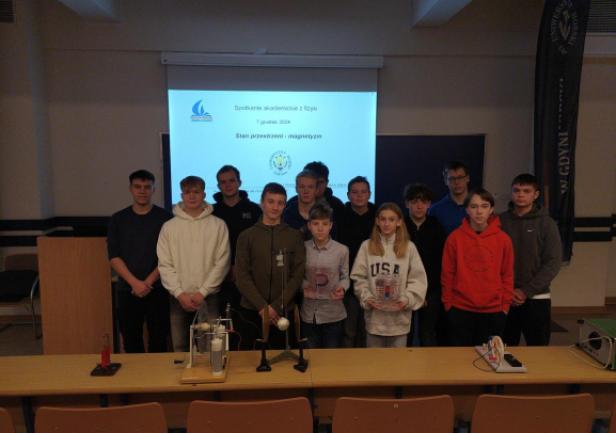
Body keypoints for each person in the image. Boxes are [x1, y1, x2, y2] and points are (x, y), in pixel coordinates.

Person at [157, 175, 230, 352]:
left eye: (196, 192)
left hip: (208, 296)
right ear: (181, 195)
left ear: (204, 194)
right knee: (180, 347)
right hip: (178, 297)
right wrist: (179, 293)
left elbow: (222, 262)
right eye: (187, 192)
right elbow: (165, 264)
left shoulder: (218, 225)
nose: (192, 196)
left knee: (211, 347)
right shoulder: (169, 227)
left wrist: (202, 292)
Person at [107, 169, 172, 353]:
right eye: (138, 187)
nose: (142, 191)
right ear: (130, 189)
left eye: (147, 187)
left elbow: (169, 256)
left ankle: (157, 373)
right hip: (128, 289)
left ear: (154, 189)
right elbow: (114, 256)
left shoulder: (166, 218)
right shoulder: (118, 219)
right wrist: (135, 283)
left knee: (159, 340)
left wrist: (148, 282)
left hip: (158, 289)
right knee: (131, 340)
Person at [235, 182, 306, 350]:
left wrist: (276, 306)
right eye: (270, 201)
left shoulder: (294, 236)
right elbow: (242, 275)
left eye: (280, 203)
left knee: (282, 360)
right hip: (252, 310)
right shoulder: (247, 236)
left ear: (285, 205)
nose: (275, 207)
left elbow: (297, 274)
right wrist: (262, 307)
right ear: (262, 203)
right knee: (251, 360)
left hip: (283, 311)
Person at [441, 188, 514, 346]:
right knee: (459, 358)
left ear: (491, 209)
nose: (479, 211)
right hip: (460, 308)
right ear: (467, 210)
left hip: (494, 310)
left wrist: (505, 306)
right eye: (474, 206)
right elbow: (447, 274)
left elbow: (507, 275)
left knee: (489, 357)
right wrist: (448, 304)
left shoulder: (503, 240)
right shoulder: (454, 238)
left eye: (484, 206)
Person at [351, 203, 427, 348]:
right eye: (383, 219)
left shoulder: (409, 247)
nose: (386, 223)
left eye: (391, 219)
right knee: (374, 360)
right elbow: (359, 278)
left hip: (399, 321)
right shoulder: (367, 246)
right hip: (375, 320)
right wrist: (367, 298)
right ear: (377, 221)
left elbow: (418, 279)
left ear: (399, 222)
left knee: (397, 361)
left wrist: (407, 299)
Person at [500, 174, 562, 346]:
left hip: (537, 297)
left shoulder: (547, 224)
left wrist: (526, 291)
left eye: (526, 191)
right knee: (503, 349)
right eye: (516, 190)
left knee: (538, 349)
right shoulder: (500, 221)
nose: (520, 194)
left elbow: (553, 263)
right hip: (505, 296)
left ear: (536, 195)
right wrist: (507, 290)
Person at [212, 165, 261, 315]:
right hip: (219, 276)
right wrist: (225, 268)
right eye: (223, 182)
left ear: (240, 182)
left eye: (232, 180)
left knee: (248, 319)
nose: (228, 185)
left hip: (249, 275)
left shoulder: (254, 210)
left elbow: (258, 243)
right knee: (223, 320)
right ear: (218, 186)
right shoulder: (211, 212)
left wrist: (240, 267)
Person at [403, 183, 447, 347]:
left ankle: (428, 364)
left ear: (429, 204)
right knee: (406, 333)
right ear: (407, 204)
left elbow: (439, 262)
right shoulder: (400, 226)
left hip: (431, 290)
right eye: (414, 201)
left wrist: (425, 293)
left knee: (427, 333)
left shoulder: (436, 226)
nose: (419, 206)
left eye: (424, 201)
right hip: (404, 289)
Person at [301, 202, 349, 348]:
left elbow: (345, 276)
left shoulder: (342, 250)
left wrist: (342, 288)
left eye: (325, 224)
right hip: (309, 312)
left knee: (331, 355)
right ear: (309, 225)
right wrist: (303, 287)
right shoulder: (302, 248)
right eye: (316, 223)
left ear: (331, 225)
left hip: (333, 312)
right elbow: (297, 275)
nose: (320, 228)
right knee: (311, 355)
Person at [337, 176, 376, 347]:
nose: (359, 196)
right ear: (348, 195)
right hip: (347, 283)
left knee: (368, 330)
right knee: (349, 331)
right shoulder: (340, 216)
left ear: (369, 194)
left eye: (363, 192)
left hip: (373, 281)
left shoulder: (378, 216)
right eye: (354, 192)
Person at [286, 161, 345, 229]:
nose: (317, 186)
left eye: (320, 182)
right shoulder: (290, 206)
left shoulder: (337, 206)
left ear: (327, 183)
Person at [429, 161, 471, 234]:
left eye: (460, 177)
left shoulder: (480, 207)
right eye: (452, 178)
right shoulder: (435, 210)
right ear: (445, 181)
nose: (456, 182)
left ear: (467, 178)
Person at [282, 169, 319, 238]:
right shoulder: (287, 214)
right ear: (296, 189)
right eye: (302, 187)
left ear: (316, 190)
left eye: (310, 187)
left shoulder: (326, 213)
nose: (306, 191)